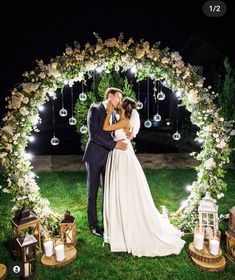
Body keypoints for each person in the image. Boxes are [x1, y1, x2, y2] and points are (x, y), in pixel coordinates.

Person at [102, 97, 186, 257]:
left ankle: (127, 222)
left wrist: (109, 113)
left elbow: (106, 127)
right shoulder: (123, 119)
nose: (117, 105)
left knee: (125, 186)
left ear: (124, 109)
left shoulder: (125, 121)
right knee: (121, 186)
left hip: (122, 155)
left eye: (119, 105)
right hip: (119, 152)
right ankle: (119, 221)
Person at [83, 87, 128, 237]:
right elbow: (94, 135)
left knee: (107, 191)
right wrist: (115, 145)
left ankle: (107, 220)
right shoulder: (95, 109)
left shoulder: (114, 114)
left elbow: (111, 133)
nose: (120, 101)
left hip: (109, 158)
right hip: (95, 157)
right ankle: (94, 225)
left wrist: (122, 136)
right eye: (118, 98)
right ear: (110, 96)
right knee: (92, 192)